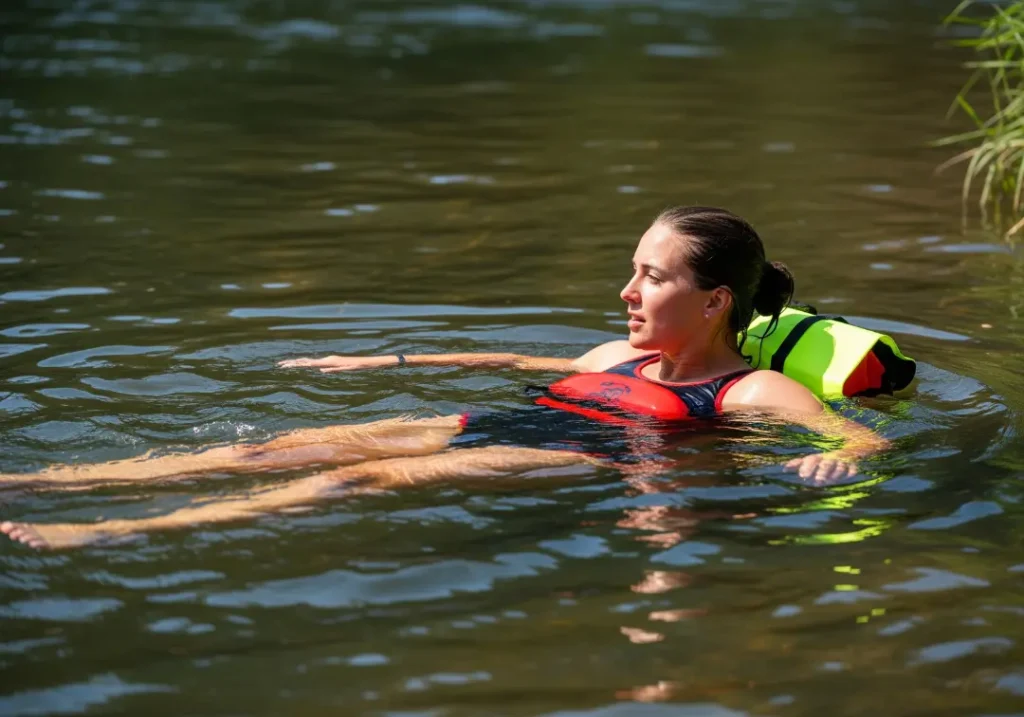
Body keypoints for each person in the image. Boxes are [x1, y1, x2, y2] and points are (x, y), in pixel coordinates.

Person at [0, 206, 889, 550]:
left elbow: (859, 434)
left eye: (652, 278)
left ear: (715, 300)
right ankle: (42, 480)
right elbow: (511, 363)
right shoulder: (617, 355)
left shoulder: (746, 391)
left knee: (355, 476)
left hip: (588, 456)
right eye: (633, 268)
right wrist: (383, 360)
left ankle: (100, 528)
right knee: (273, 444)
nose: (627, 290)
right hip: (498, 418)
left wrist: (837, 461)